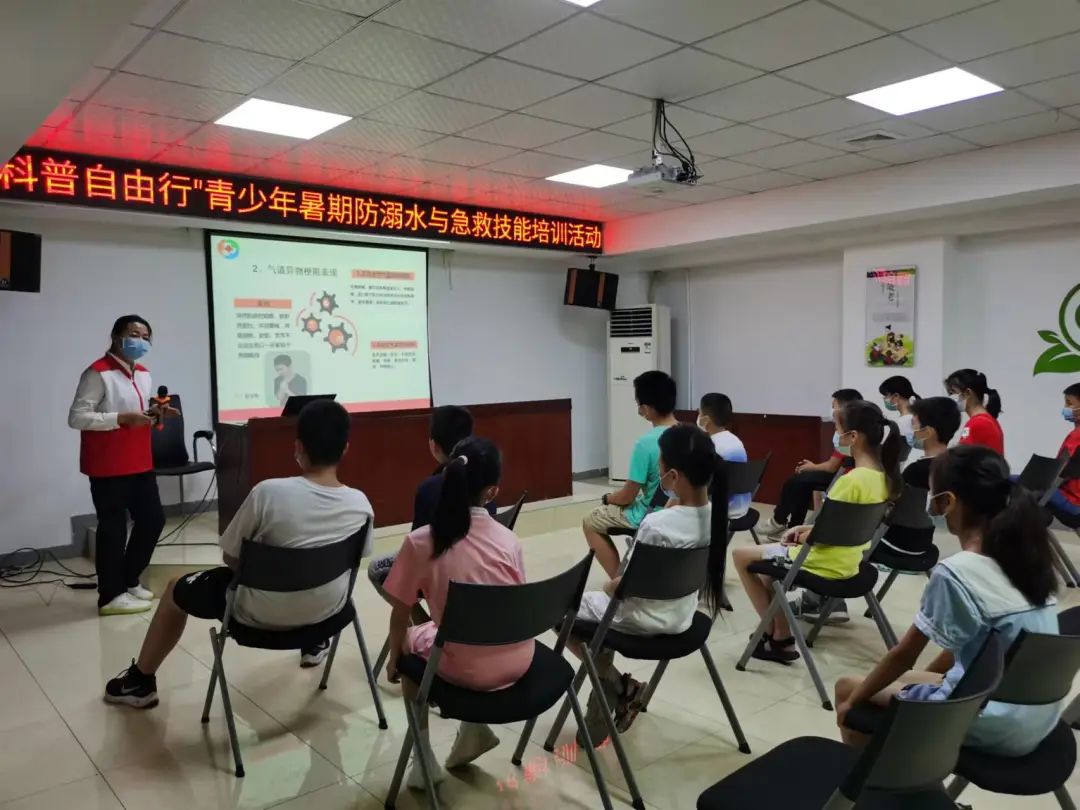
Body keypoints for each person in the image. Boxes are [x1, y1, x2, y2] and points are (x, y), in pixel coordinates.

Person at [103, 400, 374, 708]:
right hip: (328, 613)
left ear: (298, 446)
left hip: (255, 617)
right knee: (313, 576)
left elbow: (231, 559)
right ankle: (314, 643)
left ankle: (140, 682)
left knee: (175, 589)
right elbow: (354, 563)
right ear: (345, 449)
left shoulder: (269, 493)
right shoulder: (361, 505)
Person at [835, 445, 1060, 757]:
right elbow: (966, 643)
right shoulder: (1028, 559)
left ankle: (875, 781)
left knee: (848, 687)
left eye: (934, 500)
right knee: (912, 681)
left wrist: (852, 703)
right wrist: (928, 682)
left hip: (985, 721)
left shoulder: (957, 571)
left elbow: (903, 656)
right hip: (1035, 718)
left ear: (948, 502)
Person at [383, 437, 529, 787]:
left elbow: (400, 612)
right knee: (464, 633)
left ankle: (423, 759)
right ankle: (473, 731)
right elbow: (515, 605)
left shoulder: (421, 541)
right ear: (492, 493)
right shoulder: (509, 540)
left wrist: (393, 659)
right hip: (519, 660)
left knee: (410, 645)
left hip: (469, 670)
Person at [572, 423, 727, 745]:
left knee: (564, 611)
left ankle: (617, 685)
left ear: (673, 476)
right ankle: (609, 698)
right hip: (682, 616)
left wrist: (608, 586)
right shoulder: (717, 517)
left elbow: (622, 587)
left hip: (640, 620)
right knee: (596, 623)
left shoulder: (656, 524)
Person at [734, 400, 901, 658]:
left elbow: (821, 536)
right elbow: (839, 525)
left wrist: (800, 535)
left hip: (823, 560)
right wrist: (804, 529)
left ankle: (771, 634)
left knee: (741, 556)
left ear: (853, 437)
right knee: (769, 571)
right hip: (850, 560)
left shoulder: (850, 481)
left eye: (837, 429)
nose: (835, 435)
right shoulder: (884, 478)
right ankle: (780, 637)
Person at [69, 315, 175, 616]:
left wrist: (154, 413)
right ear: (116, 337)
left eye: (146, 336)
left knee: (153, 520)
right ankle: (110, 595)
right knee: (113, 529)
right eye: (134, 334)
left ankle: (128, 580)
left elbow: (136, 412)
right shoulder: (97, 373)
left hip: (139, 460)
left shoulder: (143, 373)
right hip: (108, 463)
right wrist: (120, 418)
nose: (141, 341)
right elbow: (77, 417)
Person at [366, 405, 495, 599]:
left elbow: (415, 553)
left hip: (440, 574)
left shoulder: (429, 489)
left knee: (376, 568)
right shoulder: (486, 480)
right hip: (480, 569)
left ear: (434, 446)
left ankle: (422, 618)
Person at [584, 371, 678, 578]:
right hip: (679, 511)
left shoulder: (645, 444)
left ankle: (619, 580)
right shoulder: (690, 435)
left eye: (639, 405)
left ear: (646, 409)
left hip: (651, 515)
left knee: (590, 521)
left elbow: (627, 496)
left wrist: (608, 498)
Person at [761, 388, 864, 538]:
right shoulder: (853, 429)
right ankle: (793, 527)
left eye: (834, 406)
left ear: (845, 407)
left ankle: (779, 521)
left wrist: (812, 467)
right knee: (801, 482)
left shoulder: (847, 434)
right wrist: (812, 467)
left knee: (796, 480)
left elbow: (832, 467)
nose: (832, 410)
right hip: (842, 472)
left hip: (843, 477)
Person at [879, 396, 961, 556]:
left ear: (927, 432)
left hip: (897, 544)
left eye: (913, 424)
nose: (910, 431)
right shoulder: (954, 463)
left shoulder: (917, 470)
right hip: (925, 542)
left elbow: (891, 507)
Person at [698, 392, 750, 519]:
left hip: (720, 511)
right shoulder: (737, 441)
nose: (698, 417)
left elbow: (699, 486)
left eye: (699, 413)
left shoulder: (709, 446)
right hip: (743, 507)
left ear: (706, 419)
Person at [946, 368, 1004, 455]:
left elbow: (962, 458)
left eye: (954, 392)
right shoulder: (986, 420)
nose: (951, 397)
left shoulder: (978, 423)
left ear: (968, 393)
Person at [1050, 382, 1080, 519]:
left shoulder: (1076, 437)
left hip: (1073, 499)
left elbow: (1060, 471)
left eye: (1069, 403)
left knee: (1016, 483)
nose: (1065, 408)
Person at [878, 375, 920, 443]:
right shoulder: (912, 417)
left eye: (886, 396)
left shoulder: (905, 420)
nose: (884, 399)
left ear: (896, 396)